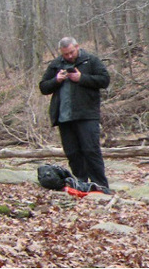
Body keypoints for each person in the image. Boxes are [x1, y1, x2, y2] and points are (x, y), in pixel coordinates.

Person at [38, 37, 111, 190]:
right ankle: (80, 183)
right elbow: (43, 87)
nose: (69, 56)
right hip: (64, 117)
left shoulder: (91, 60)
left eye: (71, 52)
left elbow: (104, 80)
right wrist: (56, 80)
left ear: (77, 47)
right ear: (61, 53)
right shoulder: (56, 64)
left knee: (91, 150)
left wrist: (81, 78)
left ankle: (101, 185)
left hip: (87, 114)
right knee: (72, 152)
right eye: (66, 54)